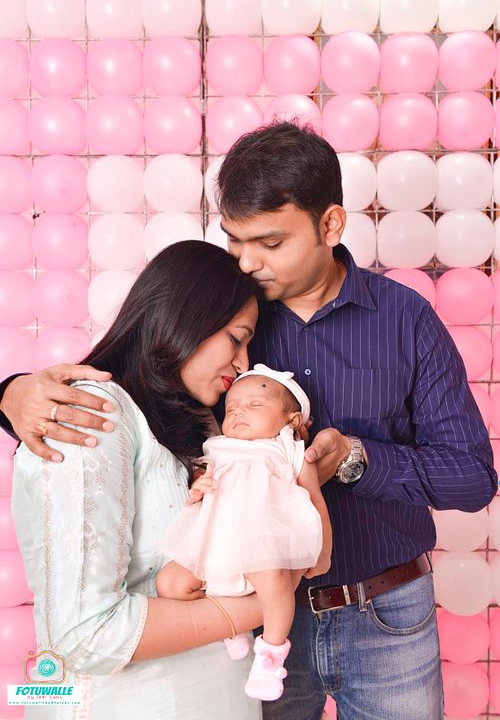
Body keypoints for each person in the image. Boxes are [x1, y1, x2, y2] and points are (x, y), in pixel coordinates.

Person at [2, 122, 497, 720]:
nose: (247, 261)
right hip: (244, 621)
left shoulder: (405, 319)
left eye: (269, 242)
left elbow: (473, 478)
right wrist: (13, 394)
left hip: (385, 611)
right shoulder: (222, 312)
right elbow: (141, 382)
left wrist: (356, 459)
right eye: (235, 240)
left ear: (330, 225)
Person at [9, 239, 277, 720]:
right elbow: (85, 634)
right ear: (185, 316)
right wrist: (268, 605)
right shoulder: (93, 412)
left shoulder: (198, 424)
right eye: (236, 338)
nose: (243, 363)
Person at [156, 364, 332, 702]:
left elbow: (315, 499)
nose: (238, 413)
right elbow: (201, 484)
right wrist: (198, 488)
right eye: (232, 408)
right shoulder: (217, 447)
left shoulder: (289, 450)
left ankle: (271, 656)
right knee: (170, 583)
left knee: (275, 583)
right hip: (217, 543)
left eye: (255, 405)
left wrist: (323, 552)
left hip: (262, 545)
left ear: (291, 420)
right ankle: (230, 626)